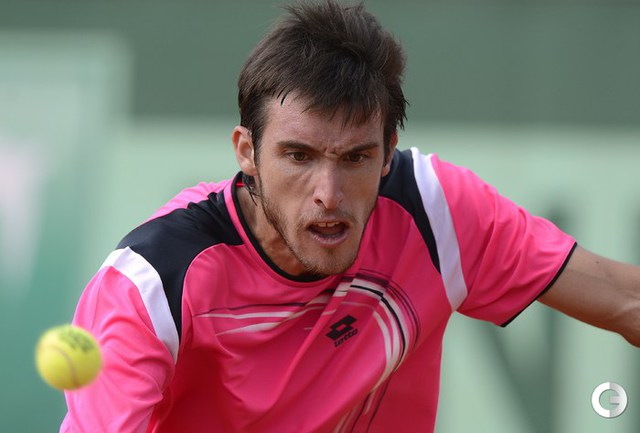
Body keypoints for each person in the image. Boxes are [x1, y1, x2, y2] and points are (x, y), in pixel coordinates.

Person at [60, 1, 640, 432]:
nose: (329, 194)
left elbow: (625, 300)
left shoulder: (434, 212)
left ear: (388, 153)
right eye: (298, 156)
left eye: (356, 158)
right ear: (246, 151)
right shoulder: (151, 285)